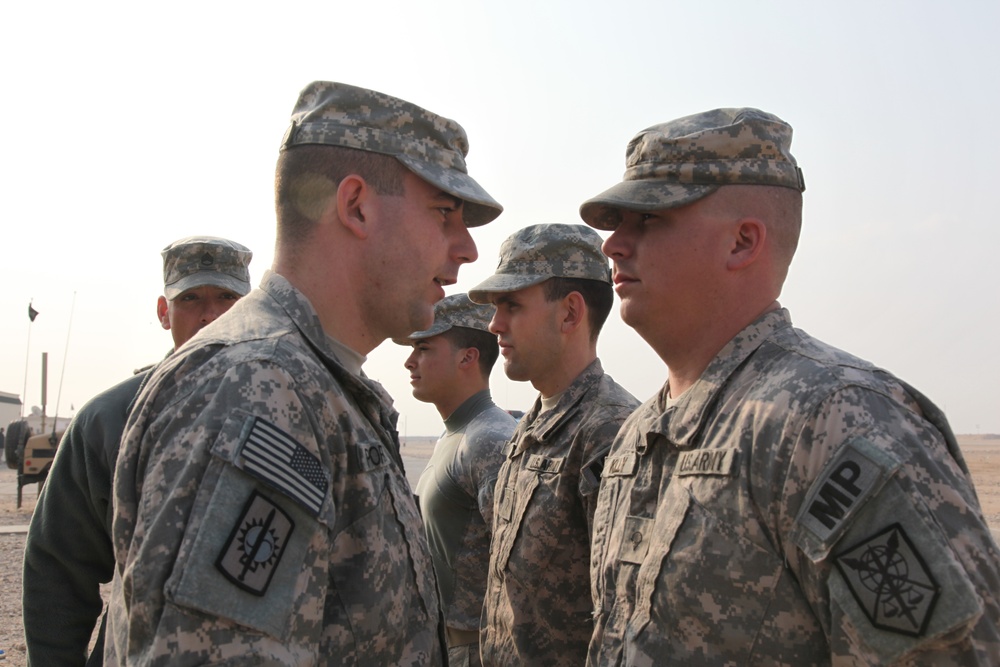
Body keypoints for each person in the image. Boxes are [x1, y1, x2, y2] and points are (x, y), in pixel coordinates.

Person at [581, 108, 1000, 665]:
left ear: (742, 242)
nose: (613, 244)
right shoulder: (640, 433)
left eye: (649, 220)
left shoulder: (835, 421)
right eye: (616, 223)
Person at [106, 81, 502, 665]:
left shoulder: (318, 386)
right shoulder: (255, 388)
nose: (466, 249)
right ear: (356, 206)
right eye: (445, 214)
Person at [22, 235, 252, 667]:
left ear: (250, 306)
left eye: (227, 297)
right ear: (164, 313)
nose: (211, 315)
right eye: (191, 298)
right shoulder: (110, 420)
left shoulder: (292, 406)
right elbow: (57, 568)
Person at [468, 223, 639, 666]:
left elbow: (625, 623)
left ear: (569, 314)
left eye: (512, 305)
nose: (494, 324)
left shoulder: (612, 432)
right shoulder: (534, 422)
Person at [397, 293, 517, 666]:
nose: (409, 361)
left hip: (478, 649)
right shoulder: (457, 434)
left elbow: (523, 572)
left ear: (468, 356)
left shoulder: (488, 440)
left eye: (424, 348)